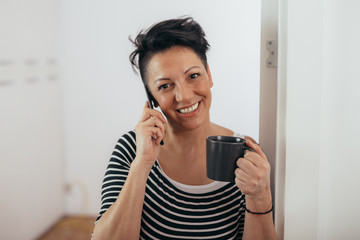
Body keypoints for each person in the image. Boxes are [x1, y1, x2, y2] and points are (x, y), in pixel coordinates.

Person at [92, 17, 278, 240]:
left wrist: (259, 196)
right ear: (152, 98)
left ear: (209, 75)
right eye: (165, 86)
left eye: (193, 76)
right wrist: (142, 164)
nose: (184, 96)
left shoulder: (244, 153)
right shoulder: (132, 149)